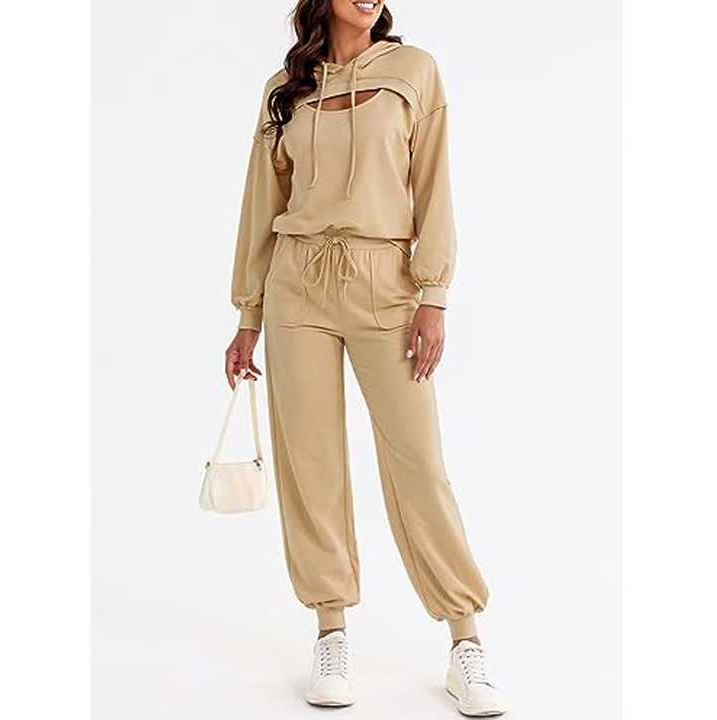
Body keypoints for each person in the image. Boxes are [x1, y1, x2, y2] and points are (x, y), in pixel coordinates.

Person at [225, 1, 507, 715]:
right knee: (311, 464)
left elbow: (433, 185)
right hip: (296, 285)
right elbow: (261, 203)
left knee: (419, 464)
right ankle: (331, 630)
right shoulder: (286, 88)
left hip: (388, 283)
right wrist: (248, 315)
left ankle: (465, 639)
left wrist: (434, 294)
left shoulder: (414, 71)